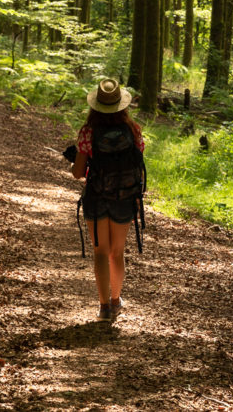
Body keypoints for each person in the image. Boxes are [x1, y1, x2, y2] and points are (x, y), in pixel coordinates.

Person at [70, 78, 145, 323]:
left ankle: (103, 308)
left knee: (100, 252)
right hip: (125, 197)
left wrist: (76, 160)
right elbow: (137, 161)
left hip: (96, 197)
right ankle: (116, 300)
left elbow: (79, 173)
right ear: (121, 105)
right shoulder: (133, 130)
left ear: (96, 105)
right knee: (117, 252)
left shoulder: (88, 132)